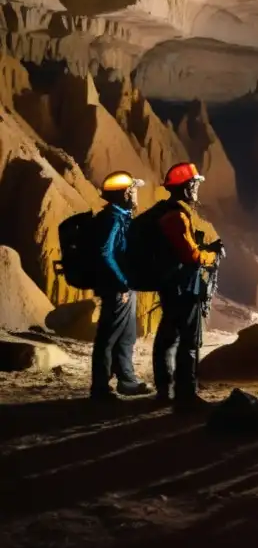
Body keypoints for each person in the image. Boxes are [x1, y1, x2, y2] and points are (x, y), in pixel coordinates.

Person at [151, 162, 224, 412]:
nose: (197, 189)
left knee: (168, 338)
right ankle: (185, 394)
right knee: (189, 341)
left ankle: (165, 391)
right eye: (194, 184)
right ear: (185, 187)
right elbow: (190, 255)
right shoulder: (176, 216)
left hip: (173, 284)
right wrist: (211, 256)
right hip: (183, 287)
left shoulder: (168, 213)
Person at [90, 171, 150, 401]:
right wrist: (121, 283)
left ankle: (127, 381)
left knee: (126, 335)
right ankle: (100, 389)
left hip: (124, 285)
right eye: (134, 190)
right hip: (117, 287)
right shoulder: (112, 218)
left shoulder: (121, 216)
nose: (136, 194)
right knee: (109, 336)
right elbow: (105, 252)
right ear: (126, 193)